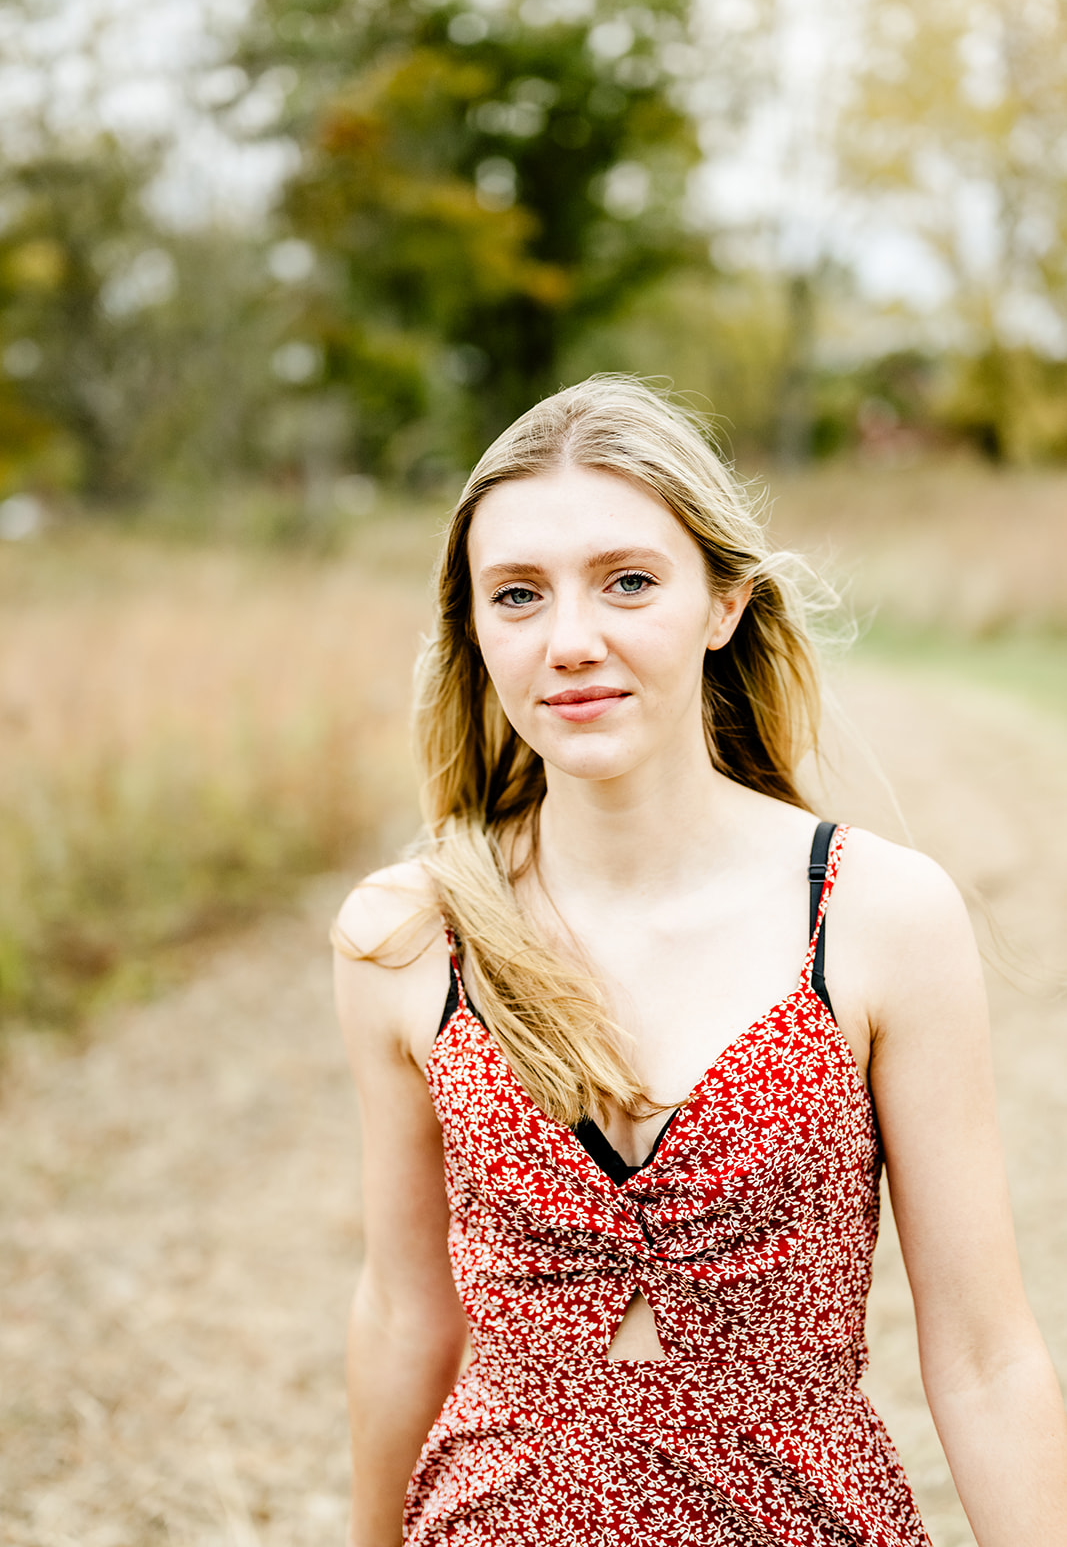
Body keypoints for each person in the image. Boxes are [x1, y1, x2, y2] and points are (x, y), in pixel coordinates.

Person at [332, 376, 1067, 1547]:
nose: (570, 642)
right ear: (472, 627)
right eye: (516, 594)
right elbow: (401, 1313)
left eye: (627, 581)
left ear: (722, 601)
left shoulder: (876, 915)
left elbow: (982, 1356)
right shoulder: (408, 933)